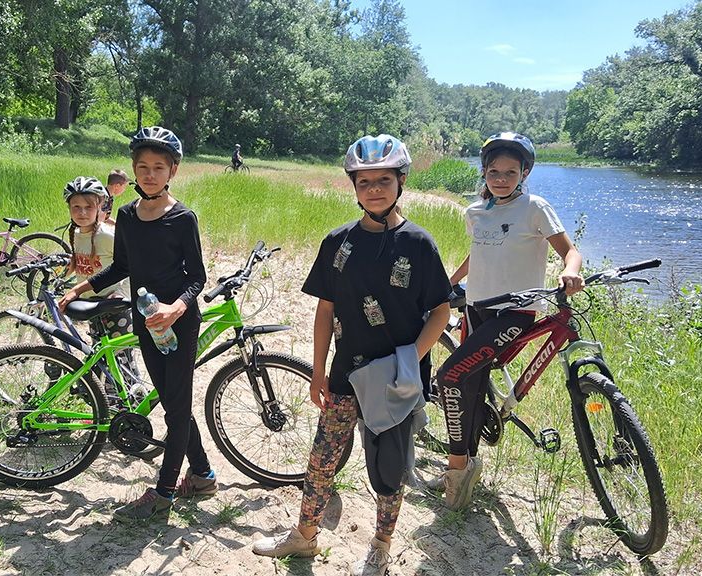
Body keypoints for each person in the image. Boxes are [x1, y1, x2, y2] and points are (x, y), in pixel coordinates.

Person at [251, 134, 452, 576]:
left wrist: (409, 360)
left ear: (401, 182)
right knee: (322, 459)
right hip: (346, 373)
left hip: (396, 380)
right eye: (364, 182)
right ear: (353, 186)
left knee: (388, 467)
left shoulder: (419, 243)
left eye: (384, 180)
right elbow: (325, 309)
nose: (374, 189)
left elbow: (441, 310)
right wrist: (317, 371)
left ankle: (381, 544)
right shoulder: (337, 242)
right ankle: (305, 536)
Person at [58, 126, 215, 523]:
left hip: (179, 323)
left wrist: (176, 308)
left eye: (158, 167)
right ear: (133, 170)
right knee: (174, 402)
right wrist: (80, 287)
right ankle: (203, 474)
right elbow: (122, 266)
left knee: (175, 410)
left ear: (173, 171)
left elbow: (197, 277)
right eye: (142, 166)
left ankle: (163, 494)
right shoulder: (127, 215)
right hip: (146, 320)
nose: (149, 174)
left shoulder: (183, 218)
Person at [426, 131, 583, 510]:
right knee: (471, 387)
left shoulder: (535, 207)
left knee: (450, 376)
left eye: (510, 172)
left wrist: (571, 271)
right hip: (476, 307)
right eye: (493, 171)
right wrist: (448, 284)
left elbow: (571, 251)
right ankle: (467, 462)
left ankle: (456, 469)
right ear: (484, 172)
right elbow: (479, 253)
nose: (500, 179)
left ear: (524, 173)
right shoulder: (475, 212)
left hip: (515, 311)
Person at [63, 176, 131, 339]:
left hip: (113, 306)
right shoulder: (76, 234)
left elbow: (132, 265)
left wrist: (122, 293)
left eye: (89, 206)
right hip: (91, 305)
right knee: (99, 350)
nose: (82, 212)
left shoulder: (107, 235)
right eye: (76, 207)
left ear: (100, 207)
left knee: (119, 353)